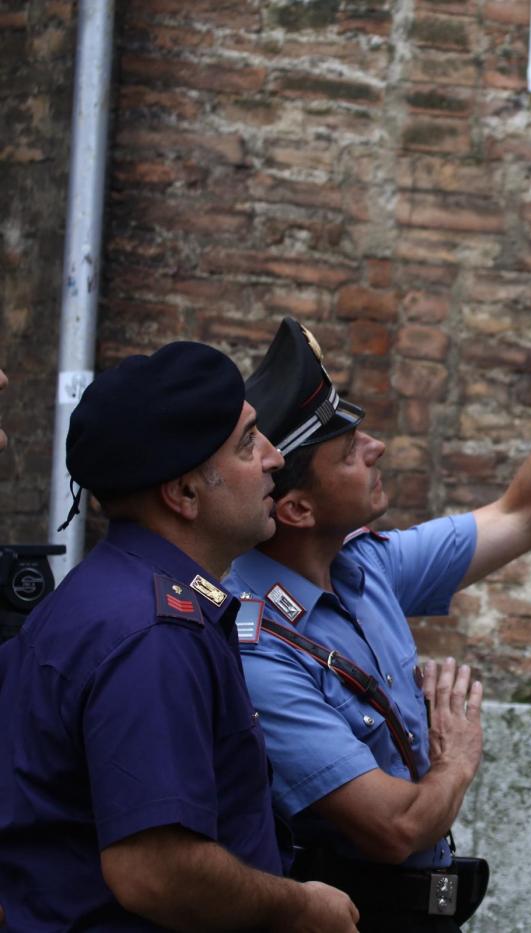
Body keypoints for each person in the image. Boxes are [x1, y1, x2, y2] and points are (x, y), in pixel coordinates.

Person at [223, 263, 531, 931]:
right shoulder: (255, 649)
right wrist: (456, 756)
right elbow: (392, 828)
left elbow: (526, 513)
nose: (374, 448)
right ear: (297, 508)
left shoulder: (366, 566)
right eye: (348, 452)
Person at [0, 342, 359, 932]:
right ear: (184, 494)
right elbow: (155, 870)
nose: (274, 457)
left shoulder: (114, 598)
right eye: (248, 443)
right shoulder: (152, 633)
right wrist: (301, 909)